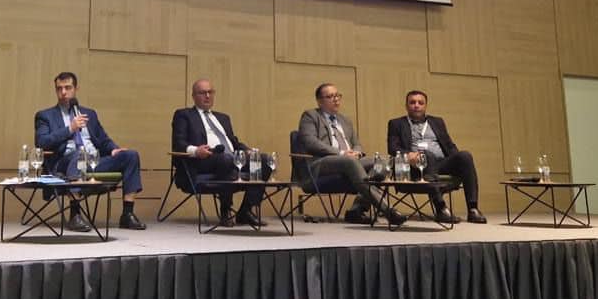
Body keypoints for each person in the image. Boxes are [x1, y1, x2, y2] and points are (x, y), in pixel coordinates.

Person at [35, 71, 146, 231]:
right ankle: (75, 215)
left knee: (130, 156)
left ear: (76, 89)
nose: (63, 92)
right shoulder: (45, 116)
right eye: (59, 89)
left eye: (68, 88)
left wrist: (114, 149)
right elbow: (42, 142)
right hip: (65, 163)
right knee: (78, 155)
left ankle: (127, 215)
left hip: (93, 162)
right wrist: (70, 128)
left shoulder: (89, 114)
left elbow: (103, 139)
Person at [298, 83, 406, 226]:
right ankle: (387, 210)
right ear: (319, 101)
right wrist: (342, 153)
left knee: (384, 161)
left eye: (337, 96)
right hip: (321, 164)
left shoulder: (345, 120)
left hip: (350, 162)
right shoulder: (310, 116)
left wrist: (357, 152)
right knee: (350, 162)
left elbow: (356, 143)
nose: (336, 99)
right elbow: (310, 142)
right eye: (330, 96)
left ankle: (357, 209)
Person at [171, 79, 273, 227]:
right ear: (193, 96)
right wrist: (196, 151)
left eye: (210, 92)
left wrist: (247, 150)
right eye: (202, 93)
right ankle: (225, 210)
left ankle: (245, 211)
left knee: (263, 160)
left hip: (230, 159)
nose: (207, 96)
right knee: (225, 159)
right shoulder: (184, 115)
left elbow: (234, 143)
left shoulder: (223, 118)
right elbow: (178, 144)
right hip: (202, 160)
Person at [387, 90, 487, 224]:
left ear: (425, 106)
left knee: (465, 156)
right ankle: (441, 208)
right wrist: (408, 155)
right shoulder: (396, 123)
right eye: (412, 102)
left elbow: (449, 145)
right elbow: (393, 148)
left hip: (441, 163)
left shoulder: (437, 122)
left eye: (420, 103)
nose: (416, 105)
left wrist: (457, 159)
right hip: (416, 166)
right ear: (406, 105)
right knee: (426, 155)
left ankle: (473, 209)